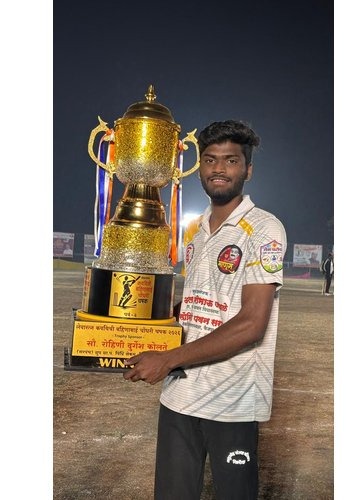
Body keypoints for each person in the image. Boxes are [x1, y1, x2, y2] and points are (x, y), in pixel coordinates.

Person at [123, 120, 287, 500]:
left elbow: (252, 324)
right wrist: (144, 322)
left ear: (248, 169)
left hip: (232, 400)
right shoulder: (195, 229)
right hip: (179, 395)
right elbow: (196, 301)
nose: (219, 169)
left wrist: (168, 359)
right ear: (200, 168)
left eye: (231, 160)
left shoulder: (264, 228)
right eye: (210, 160)